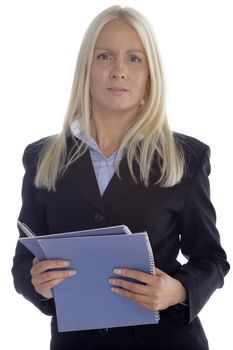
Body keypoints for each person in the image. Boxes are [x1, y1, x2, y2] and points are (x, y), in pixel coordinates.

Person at [12, 5, 230, 350]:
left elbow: (212, 259)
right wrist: (33, 280)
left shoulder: (186, 158)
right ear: (86, 69)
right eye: (104, 57)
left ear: (149, 75)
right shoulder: (41, 158)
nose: (118, 71)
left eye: (134, 59)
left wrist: (179, 290)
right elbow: (24, 260)